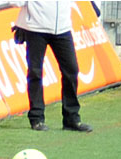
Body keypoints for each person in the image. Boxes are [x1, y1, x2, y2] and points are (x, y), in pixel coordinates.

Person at [13, 1, 92, 132]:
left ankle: (71, 119)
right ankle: (36, 118)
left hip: (63, 28)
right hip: (35, 28)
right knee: (35, 72)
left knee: (71, 70)